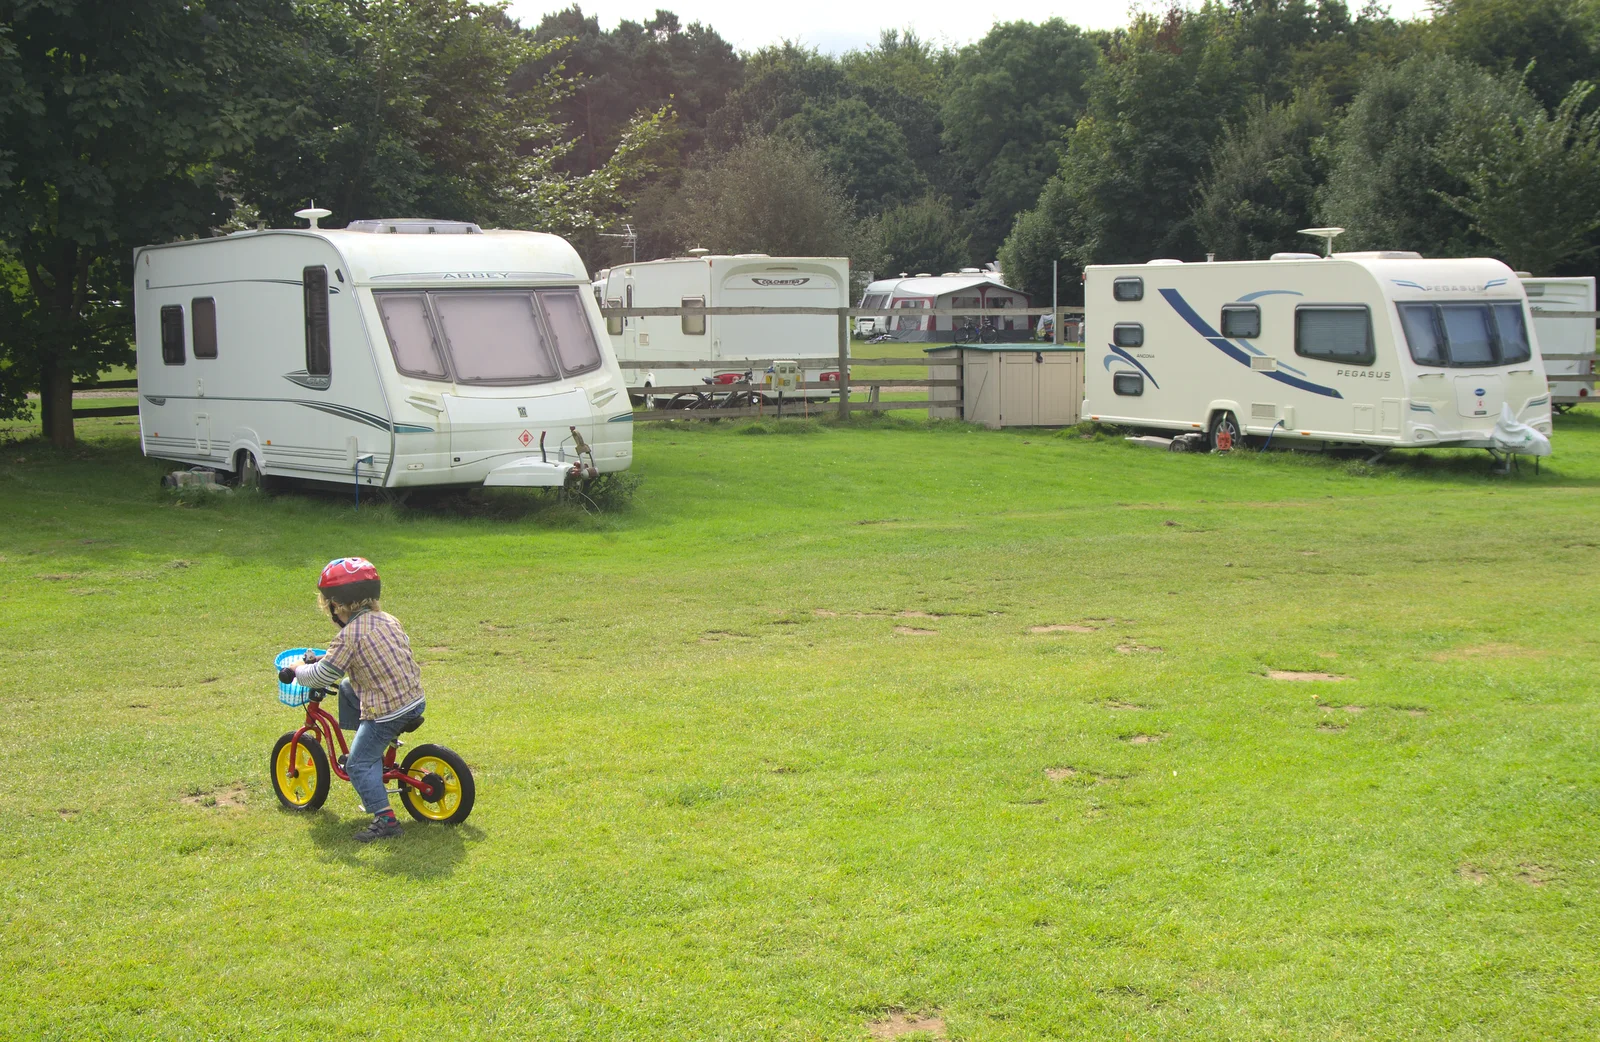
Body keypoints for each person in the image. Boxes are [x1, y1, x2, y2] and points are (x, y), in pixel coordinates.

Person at [278, 557, 424, 842]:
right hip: (413, 700)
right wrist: (325, 657)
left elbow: (321, 676)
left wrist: (298, 669)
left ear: (337, 605)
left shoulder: (348, 636)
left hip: (387, 713)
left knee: (356, 765)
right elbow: (351, 659)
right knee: (347, 687)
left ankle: (386, 821)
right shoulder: (388, 620)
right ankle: (369, 749)